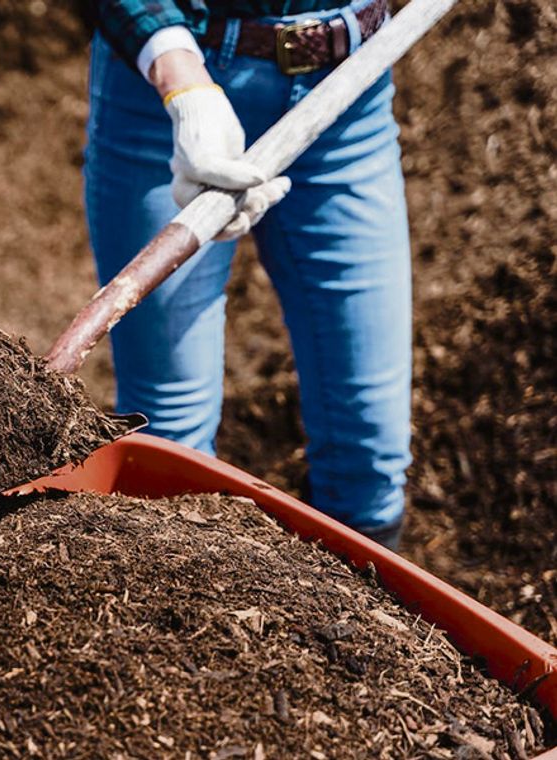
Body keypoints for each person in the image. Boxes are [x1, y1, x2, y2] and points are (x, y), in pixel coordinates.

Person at [85, 0, 409, 549]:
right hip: (171, 91)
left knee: (370, 448)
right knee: (171, 441)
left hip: (350, 90)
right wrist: (182, 82)